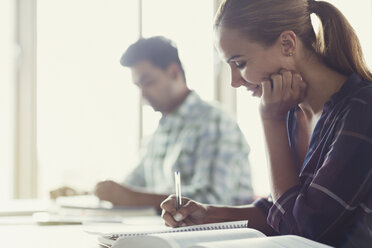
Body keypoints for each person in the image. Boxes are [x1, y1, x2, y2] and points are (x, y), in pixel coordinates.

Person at [160, 0, 372, 247]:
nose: (234, 81)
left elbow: (302, 231)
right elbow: (282, 210)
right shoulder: (294, 111)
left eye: (240, 63)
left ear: (287, 44)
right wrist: (208, 215)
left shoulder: (363, 110)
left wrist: (271, 121)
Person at [50, 36, 254, 209]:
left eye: (147, 82)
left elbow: (214, 201)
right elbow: (131, 187)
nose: (143, 95)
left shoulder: (214, 121)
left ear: (174, 72)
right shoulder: (159, 132)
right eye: (138, 86)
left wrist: (128, 197)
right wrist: (85, 194)